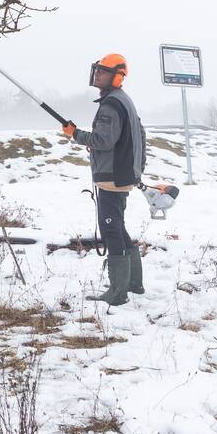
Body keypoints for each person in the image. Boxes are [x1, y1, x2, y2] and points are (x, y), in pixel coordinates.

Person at [63, 54, 147, 306]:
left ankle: (117, 292)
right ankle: (133, 283)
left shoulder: (111, 104)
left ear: (117, 75)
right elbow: (136, 134)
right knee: (118, 227)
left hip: (113, 177)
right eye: (97, 70)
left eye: (103, 71)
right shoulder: (123, 101)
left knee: (111, 229)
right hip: (121, 174)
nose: (97, 74)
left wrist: (75, 134)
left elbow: (104, 140)